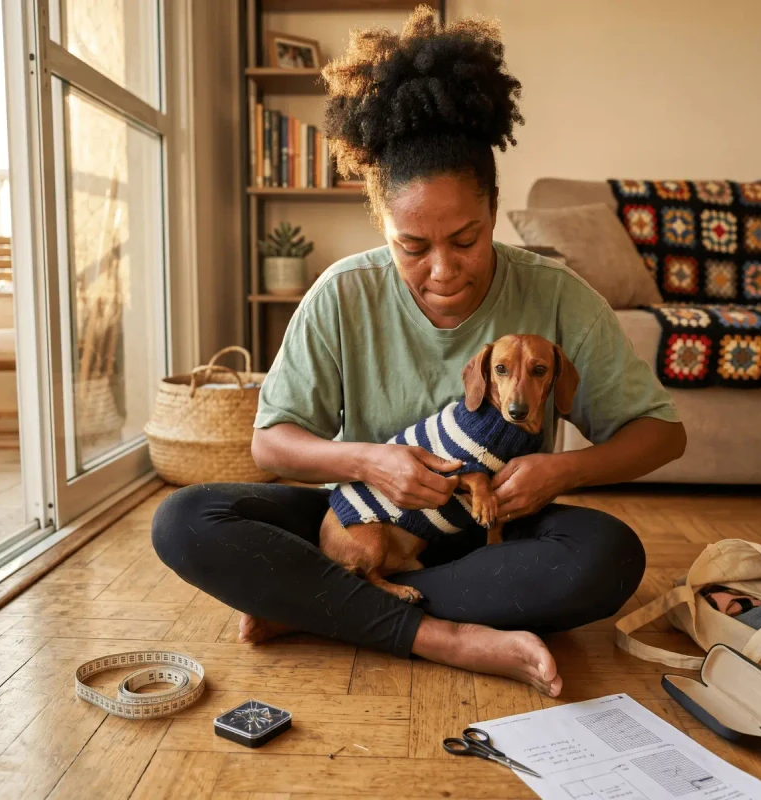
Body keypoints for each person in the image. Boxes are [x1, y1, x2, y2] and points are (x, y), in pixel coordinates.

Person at [152, 8, 686, 697]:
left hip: (488, 527)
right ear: (382, 225)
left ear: (494, 210)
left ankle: (323, 605)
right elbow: (272, 446)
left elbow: (662, 437)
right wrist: (371, 460)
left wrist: (562, 470)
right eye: (412, 247)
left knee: (609, 559)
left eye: (466, 239)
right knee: (185, 521)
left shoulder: (558, 296)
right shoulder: (341, 293)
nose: (443, 270)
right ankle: (441, 634)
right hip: (362, 516)